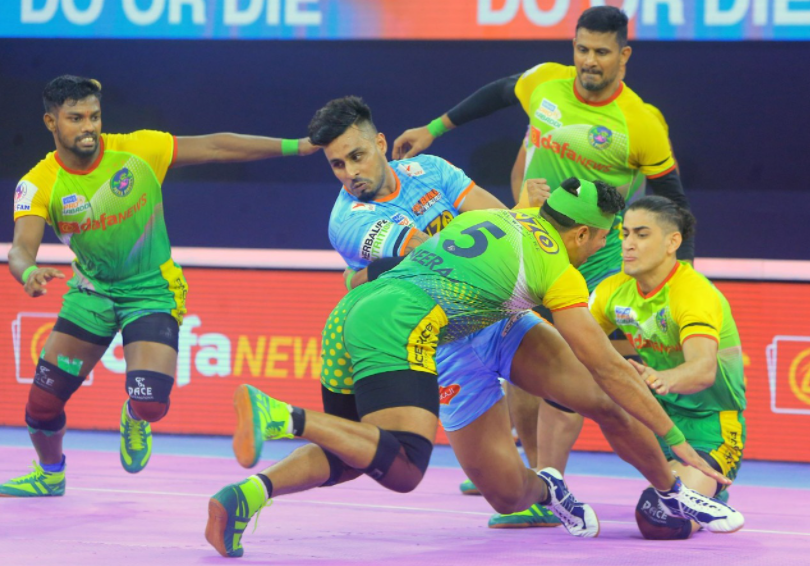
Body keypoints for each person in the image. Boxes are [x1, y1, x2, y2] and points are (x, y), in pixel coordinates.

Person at [205, 176, 743, 558]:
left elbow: (381, 270)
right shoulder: (559, 268)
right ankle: (283, 416)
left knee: (355, 451)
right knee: (406, 466)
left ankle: (248, 495)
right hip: (420, 331)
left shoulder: (497, 214)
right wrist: (677, 441)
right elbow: (609, 367)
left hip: (374, 317)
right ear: (581, 234)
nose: (607, 245)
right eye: (605, 236)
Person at [393, 5, 695, 527]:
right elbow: (497, 94)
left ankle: (570, 478)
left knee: (583, 371)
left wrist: (677, 271)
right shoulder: (545, 83)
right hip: (531, 247)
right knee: (521, 367)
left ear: (624, 55)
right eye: (581, 49)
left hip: (596, 261)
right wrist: (434, 128)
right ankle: (529, 473)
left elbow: (672, 199)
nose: (589, 62)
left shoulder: (640, 122)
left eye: (602, 52)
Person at [228, 96, 564, 532]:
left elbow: (498, 222)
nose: (350, 174)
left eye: (357, 156)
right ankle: (263, 464)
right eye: (336, 165)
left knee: (590, 389)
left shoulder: (433, 171)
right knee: (392, 460)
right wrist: (521, 213)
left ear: (381, 144)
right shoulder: (348, 218)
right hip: (425, 342)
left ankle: (667, 479)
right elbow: (436, 253)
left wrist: (517, 216)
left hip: (487, 318)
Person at [0, 75, 318, 497]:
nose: (88, 126)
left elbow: (216, 146)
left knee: (151, 403)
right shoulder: (39, 183)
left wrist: (296, 146)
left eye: (94, 116)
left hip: (151, 291)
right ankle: (50, 472)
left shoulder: (138, 151)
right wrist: (28, 272)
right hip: (91, 293)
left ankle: (133, 417)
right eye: (75, 118)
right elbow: (20, 248)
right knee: (42, 403)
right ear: (50, 122)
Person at [589, 196, 746, 539]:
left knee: (660, 521)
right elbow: (578, 345)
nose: (628, 244)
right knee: (595, 385)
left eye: (641, 235)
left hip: (710, 423)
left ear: (672, 242)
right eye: (625, 233)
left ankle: (707, 489)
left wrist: (660, 378)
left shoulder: (693, 293)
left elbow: (703, 370)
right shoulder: (612, 292)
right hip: (654, 418)